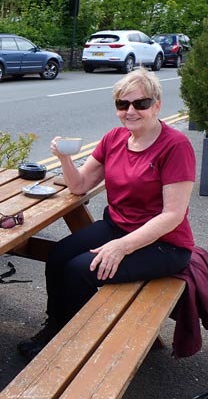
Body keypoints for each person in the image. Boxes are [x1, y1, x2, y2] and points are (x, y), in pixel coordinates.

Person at [18, 68, 196, 361]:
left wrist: (121, 247)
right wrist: (63, 158)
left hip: (165, 244)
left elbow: (173, 215)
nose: (131, 111)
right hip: (118, 226)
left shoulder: (175, 146)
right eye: (123, 104)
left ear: (157, 106)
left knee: (80, 272)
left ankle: (79, 344)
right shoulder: (114, 138)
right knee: (59, 255)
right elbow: (79, 186)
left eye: (140, 103)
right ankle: (56, 326)